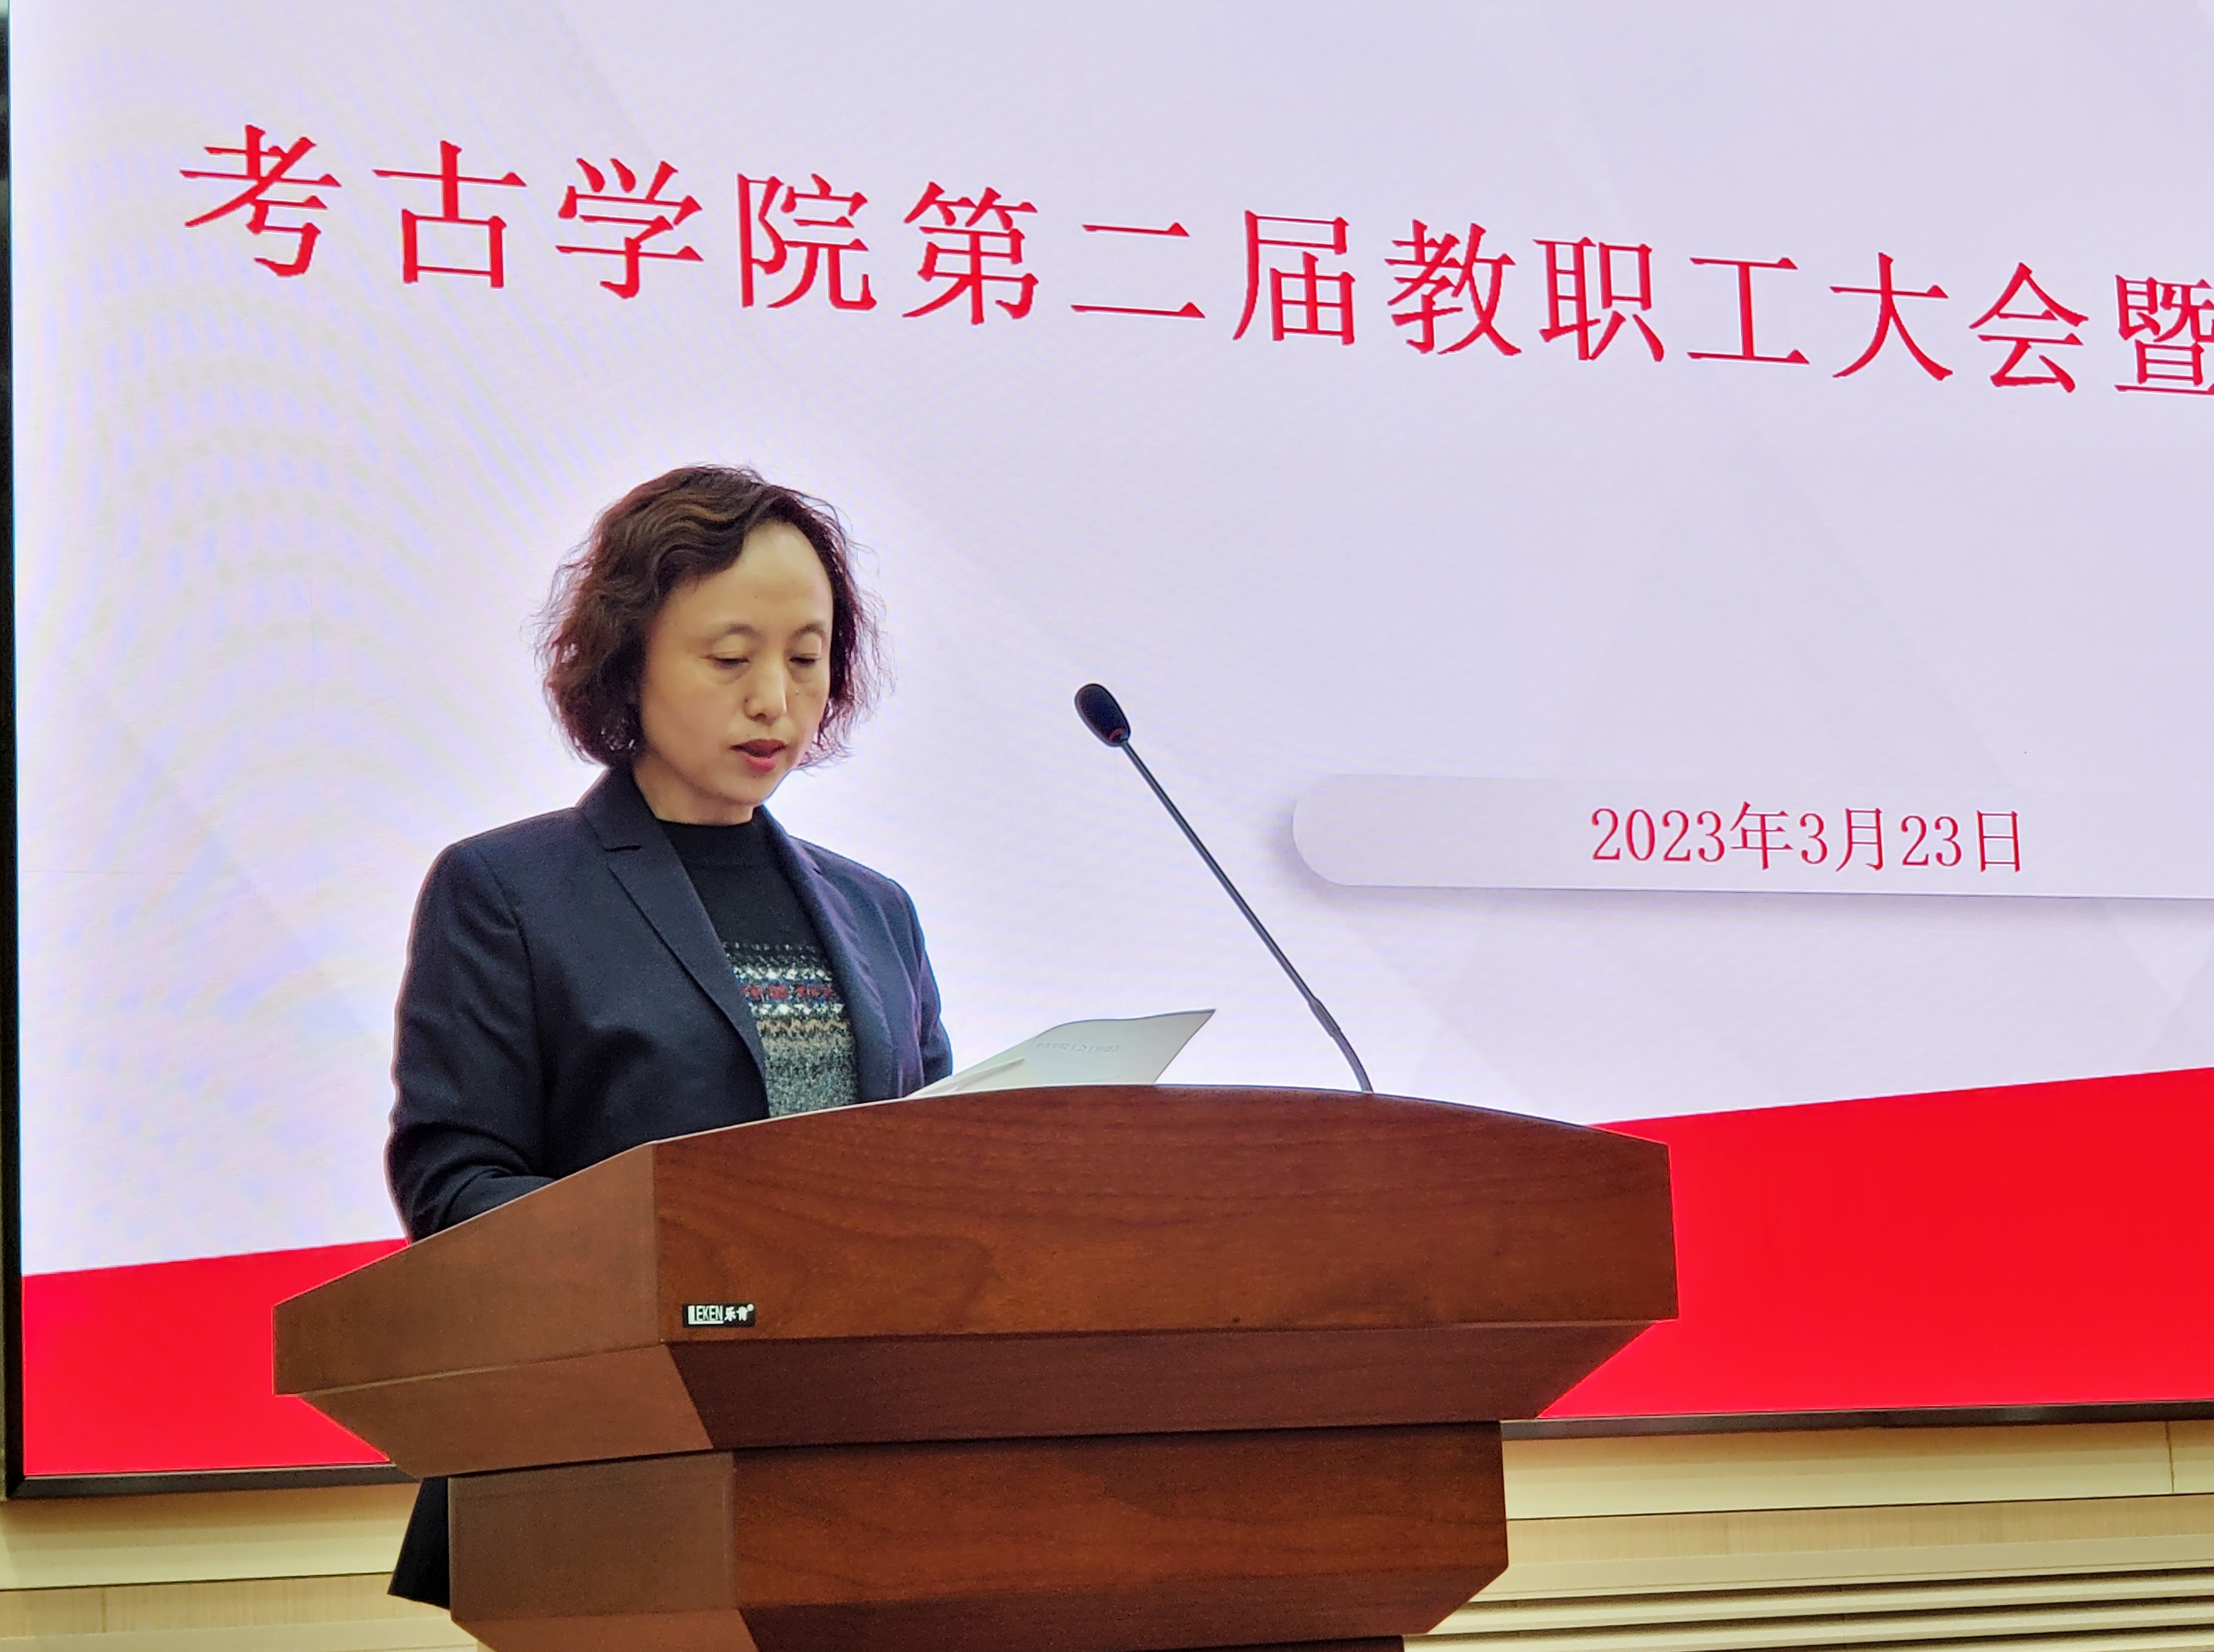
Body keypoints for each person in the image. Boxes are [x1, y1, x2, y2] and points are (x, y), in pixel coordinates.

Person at [383, 465, 952, 1607]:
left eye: (807, 657)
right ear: (629, 659)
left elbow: (934, 1167)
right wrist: (698, 1251)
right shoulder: (508, 891)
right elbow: (455, 1182)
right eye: (731, 657)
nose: (775, 700)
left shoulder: (877, 909)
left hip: (851, 1471)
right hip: (601, 1468)